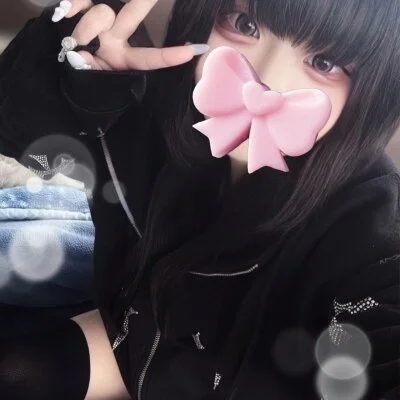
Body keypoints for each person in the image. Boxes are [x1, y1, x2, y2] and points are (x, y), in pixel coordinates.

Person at [0, 0, 399, 398]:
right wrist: (81, 81)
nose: (264, 82)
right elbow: (24, 143)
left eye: (325, 63)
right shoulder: (156, 96)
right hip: (138, 338)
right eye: (244, 24)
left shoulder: (370, 230)